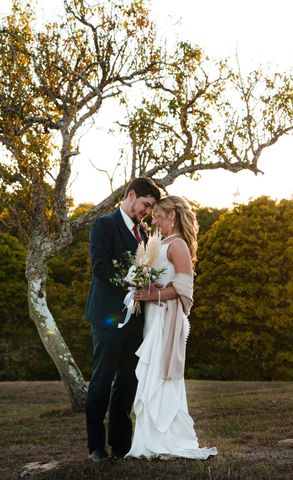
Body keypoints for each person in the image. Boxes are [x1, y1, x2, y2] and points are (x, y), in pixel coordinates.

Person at [125, 195, 217, 460]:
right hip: (153, 316)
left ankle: (167, 439)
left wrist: (152, 294)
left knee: (161, 374)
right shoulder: (160, 242)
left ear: (172, 216)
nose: (153, 220)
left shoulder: (178, 245)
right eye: (152, 215)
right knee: (150, 372)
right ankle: (148, 440)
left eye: (157, 215)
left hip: (166, 317)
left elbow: (184, 289)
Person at [84, 177, 161, 462]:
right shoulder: (105, 225)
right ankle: (95, 446)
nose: (147, 211)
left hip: (136, 321)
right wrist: (128, 283)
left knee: (128, 382)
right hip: (108, 317)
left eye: (151, 208)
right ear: (130, 195)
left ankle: (120, 445)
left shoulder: (143, 233)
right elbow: (99, 267)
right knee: (102, 380)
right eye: (146, 204)